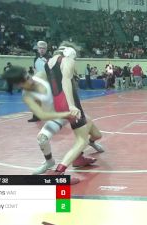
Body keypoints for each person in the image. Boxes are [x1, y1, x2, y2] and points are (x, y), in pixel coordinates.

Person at [43, 41, 104, 182]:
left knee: (96, 134)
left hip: (59, 102)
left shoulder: (49, 62)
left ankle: (78, 157)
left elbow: (53, 84)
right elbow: (65, 81)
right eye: (74, 57)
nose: (74, 61)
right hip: (68, 103)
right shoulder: (67, 60)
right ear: (69, 53)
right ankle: (58, 174)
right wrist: (71, 105)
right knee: (82, 140)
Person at [29, 41, 51, 122]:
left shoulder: (50, 58)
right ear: (37, 49)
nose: (41, 50)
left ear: (46, 49)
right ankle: (36, 116)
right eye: (40, 48)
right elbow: (35, 70)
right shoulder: (35, 58)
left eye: (43, 48)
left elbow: (52, 71)